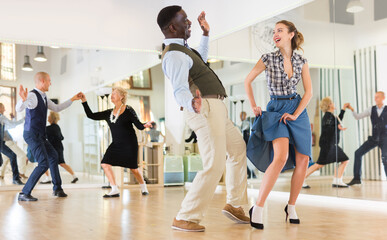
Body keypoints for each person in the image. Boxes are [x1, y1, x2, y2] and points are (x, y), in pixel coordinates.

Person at [158, 6, 249, 232]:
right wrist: (192, 103)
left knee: (237, 148)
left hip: (216, 107)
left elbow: (201, 62)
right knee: (214, 163)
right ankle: (185, 216)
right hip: (204, 108)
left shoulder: (185, 51)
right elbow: (179, 88)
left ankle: (235, 204)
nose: (189, 23)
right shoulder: (174, 54)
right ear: (172, 26)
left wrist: (206, 35)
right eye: (185, 20)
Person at [245, 20, 312, 229]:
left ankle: (291, 206)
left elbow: (309, 92)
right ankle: (258, 207)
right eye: (274, 31)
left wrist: (296, 114)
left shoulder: (302, 60)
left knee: (303, 160)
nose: (276, 34)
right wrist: (254, 105)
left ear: (291, 34)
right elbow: (247, 80)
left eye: (280, 30)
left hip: (297, 110)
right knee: (281, 157)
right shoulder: (267, 58)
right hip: (275, 110)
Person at [16, 72, 82, 201]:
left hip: (40, 135)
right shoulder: (32, 95)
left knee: (53, 156)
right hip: (32, 134)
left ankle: (57, 189)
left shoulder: (44, 96)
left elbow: (57, 108)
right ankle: (24, 193)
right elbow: (19, 108)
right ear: (42, 81)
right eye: (49, 81)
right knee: (43, 163)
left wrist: (72, 99)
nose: (50, 83)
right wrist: (23, 100)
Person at [80, 87, 152, 197]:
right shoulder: (109, 113)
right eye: (112, 93)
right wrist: (84, 101)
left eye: (114, 93)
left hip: (129, 145)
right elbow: (91, 115)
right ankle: (114, 189)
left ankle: (143, 186)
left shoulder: (128, 110)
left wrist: (145, 125)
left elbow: (138, 125)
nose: (112, 95)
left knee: (134, 169)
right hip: (116, 144)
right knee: (104, 163)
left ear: (122, 96)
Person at [303, 97, 350, 188]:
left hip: (330, 144)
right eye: (332, 102)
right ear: (329, 105)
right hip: (328, 145)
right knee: (320, 164)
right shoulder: (328, 116)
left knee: (339, 161)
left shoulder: (331, 116)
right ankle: (300, 180)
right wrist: (337, 127)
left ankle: (337, 180)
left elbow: (338, 120)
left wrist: (343, 109)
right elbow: (328, 127)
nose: (334, 104)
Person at [346, 91, 387, 185]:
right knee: (358, 153)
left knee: (385, 158)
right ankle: (357, 178)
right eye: (375, 97)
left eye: (377, 97)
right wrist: (352, 109)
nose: (375, 99)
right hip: (374, 138)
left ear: (383, 98)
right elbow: (358, 116)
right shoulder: (371, 109)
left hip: (385, 139)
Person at [46, 111, 78, 183]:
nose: (47, 117)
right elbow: (61, 137)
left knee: (44, 162)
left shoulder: (48, 128)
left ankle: (47, 178)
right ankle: (74, 176)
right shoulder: (57, 127)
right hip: (59, 147)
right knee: (62, 163)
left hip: (54, 148)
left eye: (48, 116)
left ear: (51, 118)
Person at [0, 103, 25, 185]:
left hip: (2, 142)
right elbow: (12, 124)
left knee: (10, 156)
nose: (5, 109)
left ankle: (16, 178)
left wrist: (13, 119)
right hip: (1, 142)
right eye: (3, 107)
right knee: (12, 156)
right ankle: (16, 178)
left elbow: (10, 125)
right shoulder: (1, 117)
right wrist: (24, 119)